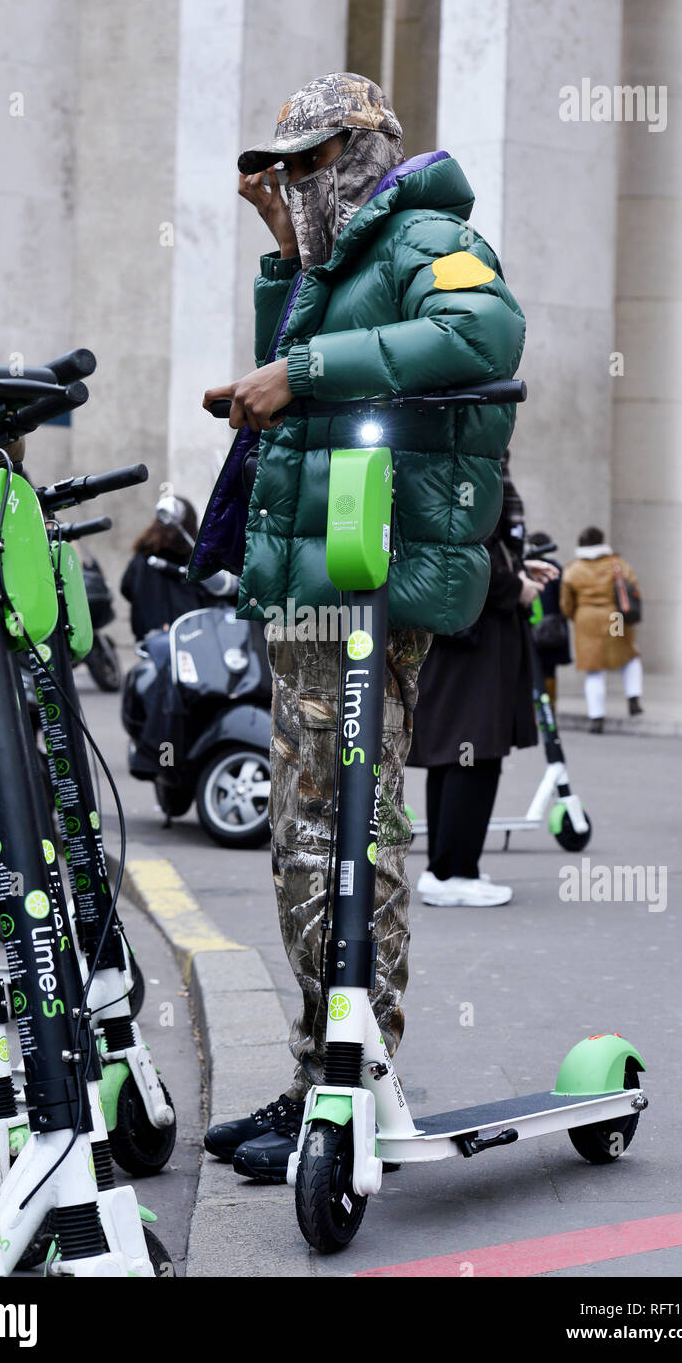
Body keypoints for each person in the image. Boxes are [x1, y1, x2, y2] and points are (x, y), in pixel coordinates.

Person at [191, 71, 525, 1181]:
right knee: (300, 833)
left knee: (349, 826)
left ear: (362, 151)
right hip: (306, 578)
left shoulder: (430, 231)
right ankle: (314, 1071)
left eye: (307, 165)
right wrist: (283, 253)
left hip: (369, 578)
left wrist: (304, 367)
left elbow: (484, 333)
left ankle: (349, 1070)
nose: (295, 181)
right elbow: (285, 374)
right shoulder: (331, 258)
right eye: (285, 168)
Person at [408, 462, 551, 906]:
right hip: (476, 635)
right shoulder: (472, 470)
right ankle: (453, 872)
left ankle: (449, 867)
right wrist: (516, 588)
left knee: (459, 751)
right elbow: (468, 550)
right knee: (474, 750)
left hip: (464, 632)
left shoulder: (461, 466)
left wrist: (521, 568)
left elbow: (478, 544)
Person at [559, 525, 643, 732]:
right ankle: (633, 697)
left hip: (586, 619)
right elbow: (632, 584)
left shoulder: (573, 568)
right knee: (628, 656)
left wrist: (574, 616)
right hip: (614, 617)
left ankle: (596, 717)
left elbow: (566, 603)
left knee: (594, 670)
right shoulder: (616, 564)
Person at [120, 494, 205, 640]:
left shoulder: (143, 555)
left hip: (153, 638)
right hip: (186, 637)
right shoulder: (189, 560)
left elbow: (126, 587)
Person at [526, 528, 571, 706]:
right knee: (549, 671)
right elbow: (565, 601)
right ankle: (550, 709)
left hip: (531, 627)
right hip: (552, 629)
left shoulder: (525, 567)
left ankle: (535, 711)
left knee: (530, 671)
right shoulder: (556, 569)